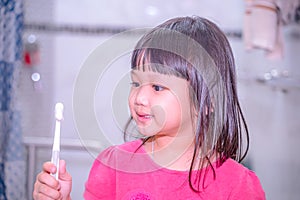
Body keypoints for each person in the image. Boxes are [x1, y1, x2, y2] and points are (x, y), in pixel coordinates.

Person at [33, 16, 266, 200]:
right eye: (136, 83)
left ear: (207, 101)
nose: (139, 97)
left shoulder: (238, 185)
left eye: (157, 87)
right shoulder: (113, 165)